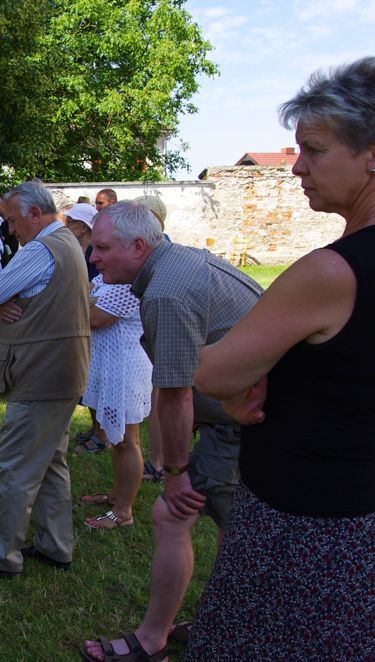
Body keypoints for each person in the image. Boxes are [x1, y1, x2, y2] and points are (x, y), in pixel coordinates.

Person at [186, 57, 375, 660]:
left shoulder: (331, 270)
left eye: (314, 150)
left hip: (312, 521)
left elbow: (214, 372)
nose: (297, 167)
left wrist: (254, 373)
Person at [81, 201, 262, 661]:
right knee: (238, 527)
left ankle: (152, 640)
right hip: (249, 418)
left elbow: (177, 393)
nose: (94, 256)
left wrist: (176, 471)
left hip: (245, 424)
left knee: (173, 516)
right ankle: (225, 620)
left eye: (102, 248)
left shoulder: (166, 293)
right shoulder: (176, 262)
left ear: (138, 246)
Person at [0, 180, 90, 578]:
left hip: (42, 373)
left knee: (15, 468)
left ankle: (1, 557)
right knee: (51, 463)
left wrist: (1, 296)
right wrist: (5, 299)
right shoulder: (66, 243)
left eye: (13, 221)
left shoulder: (41, 249)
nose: (10, 229)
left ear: (36, 214)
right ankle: (54, 545)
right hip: (60, 372)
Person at [78, 268, 152, 529]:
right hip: (110, 366)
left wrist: (88, 301)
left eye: (105, 246)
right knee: (115, 438)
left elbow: (93, 317)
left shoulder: (131, 280)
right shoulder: (107, 276)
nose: (97, 256)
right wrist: (87, 299)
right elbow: (82, 293)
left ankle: (123, 513)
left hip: (125, 369)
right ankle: (116, 495)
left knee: (127, 441)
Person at [132, 194, 170, 482]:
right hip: (148, 335)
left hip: (159, 336)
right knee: (158, 403)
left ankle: (159, 464)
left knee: (162, 403)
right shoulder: (155, 249)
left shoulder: (160, 252)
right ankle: (158, 461)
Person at [64, 203, 99, 280]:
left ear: (83, 228)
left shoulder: (95, 254)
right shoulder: (71, 248)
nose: (65, 226)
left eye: (69, 222)